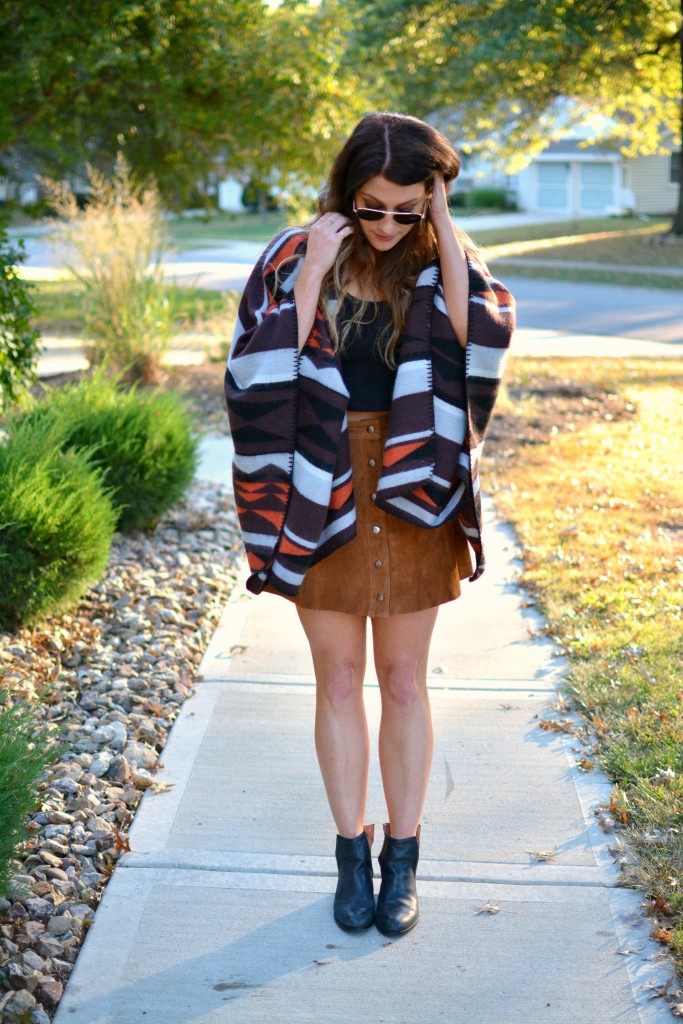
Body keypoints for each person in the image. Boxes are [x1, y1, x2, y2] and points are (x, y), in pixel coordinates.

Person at [224, 111, 515, 938]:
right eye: (371, 207)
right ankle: (350, 854)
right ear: (344, 192)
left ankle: (403, 860)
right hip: (317, 485)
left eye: (406, 210)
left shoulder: (441, 260)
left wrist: (444, 220)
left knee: (403, 680)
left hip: (411, 483)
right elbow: (252, 368)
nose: (387, 225)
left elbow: (475, 337)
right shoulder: (293, 251)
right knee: (338, 677)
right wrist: (315, 268)